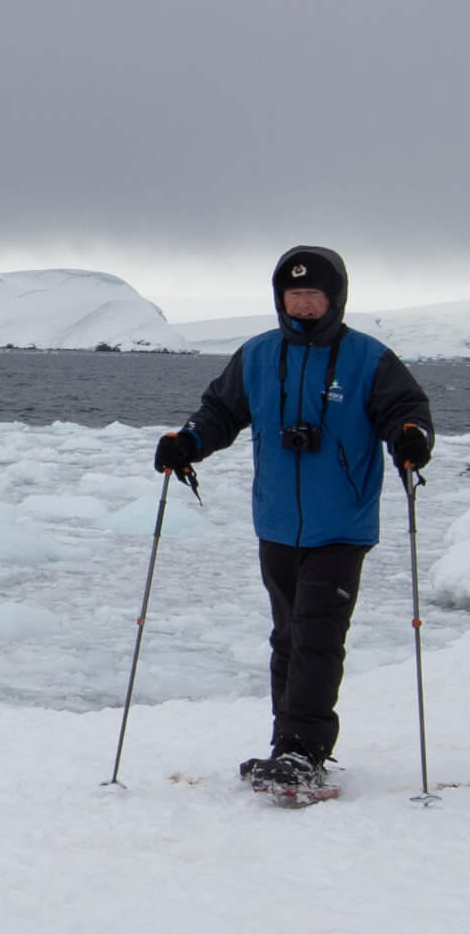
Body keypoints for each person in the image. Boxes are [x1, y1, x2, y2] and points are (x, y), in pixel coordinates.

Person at [152, 246, 435, 795]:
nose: (303, 306)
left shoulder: (368, 358)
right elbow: (221, 413)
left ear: (335, 299)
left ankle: (304, 750)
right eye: (293, 295)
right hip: (278, 521)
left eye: (313, 295)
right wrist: (188, 441)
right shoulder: (258, 355)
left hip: (341, 523)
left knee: (317, 636)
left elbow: (407, 411)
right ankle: (288, 745)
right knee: (288, 636)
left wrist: (410, 438)